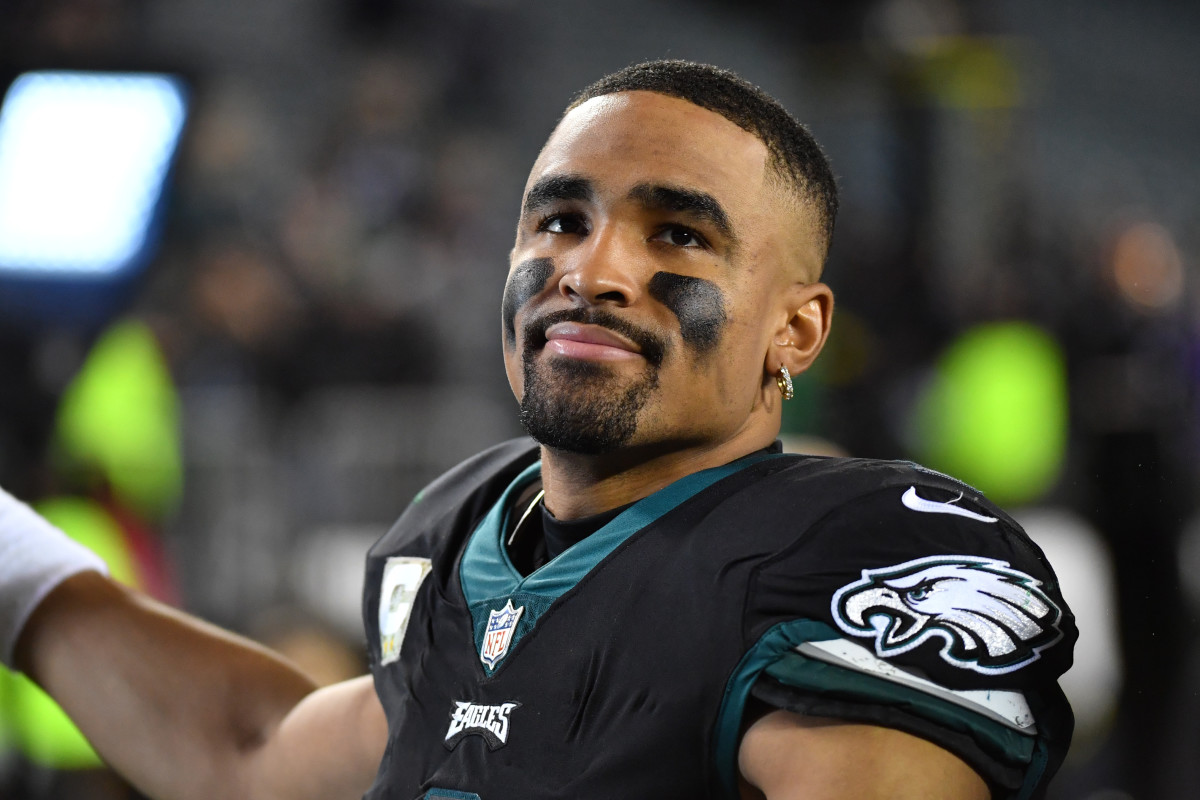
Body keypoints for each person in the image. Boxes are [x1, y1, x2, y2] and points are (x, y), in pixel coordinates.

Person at [0, 60, 1075, 800]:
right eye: (560, 218)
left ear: (796, 328)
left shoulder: (847, 557)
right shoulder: (463, 539)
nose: (591, 269)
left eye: (679, 234)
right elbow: (254, 749)